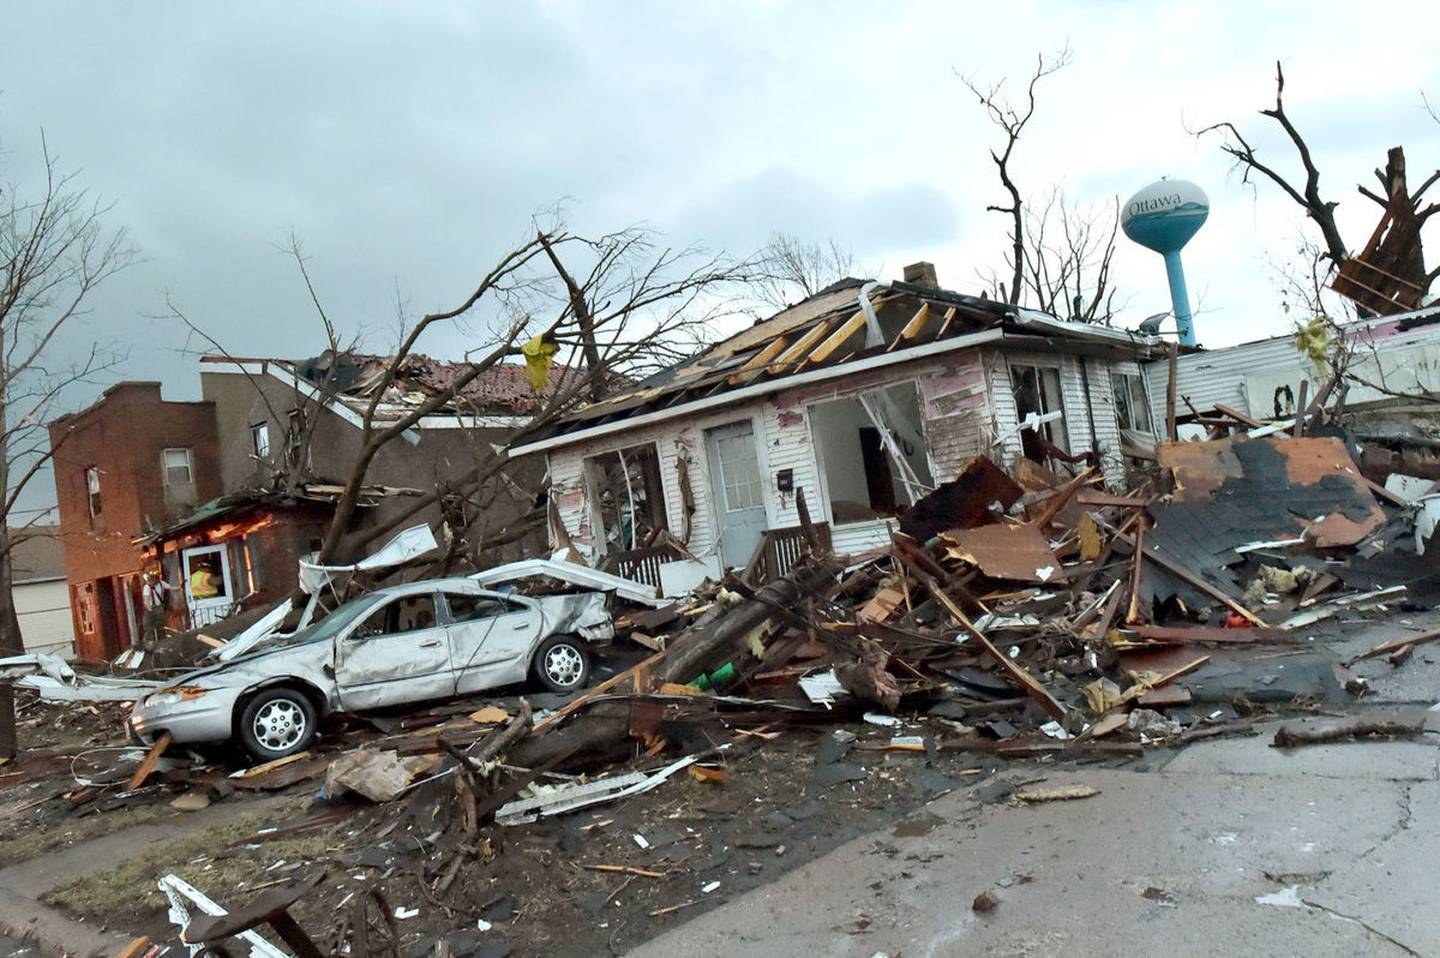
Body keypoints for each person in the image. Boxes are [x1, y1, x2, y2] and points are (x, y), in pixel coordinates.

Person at [141, 570, 172, 646]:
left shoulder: (161, 584)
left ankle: (162, 642)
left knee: (160, 627)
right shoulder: (146, 587)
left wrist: (180, 586)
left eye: (152, 579)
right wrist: (149, 609)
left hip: (159, 608)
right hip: (151, 609)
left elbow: (170, 587)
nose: (150, 581)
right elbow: (146, 600)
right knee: (149, 628)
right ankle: (148, 643)